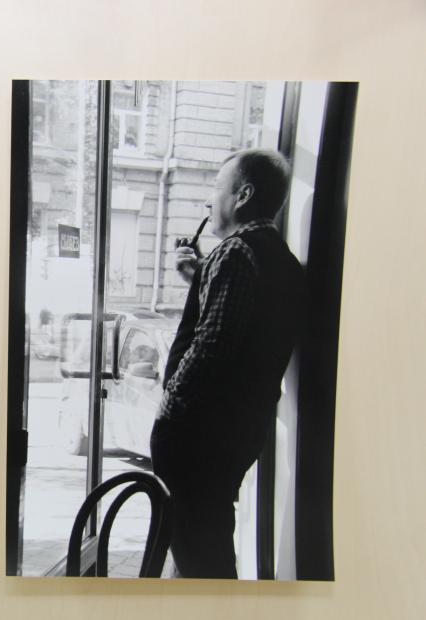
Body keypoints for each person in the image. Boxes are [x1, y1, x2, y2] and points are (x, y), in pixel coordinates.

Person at [150, 148, 305, 578]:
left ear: (244, 195)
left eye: (217, 188)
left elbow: (212, 346)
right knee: (207, 542)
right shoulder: (281, 259)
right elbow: (244, 328)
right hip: (235, 435)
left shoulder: (235, 253)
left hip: (198, 438)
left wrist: (168, 410)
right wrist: (201, 277)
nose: (208, 200)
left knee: (200, 558)